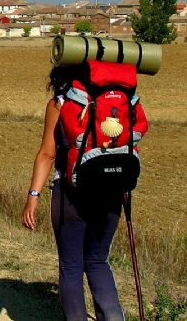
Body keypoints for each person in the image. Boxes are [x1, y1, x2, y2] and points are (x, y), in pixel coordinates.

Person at [22, 64, 125, 321]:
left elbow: (47, 153)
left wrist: (33, 197)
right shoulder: (114, 101)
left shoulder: (59, 103)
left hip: (71, 192)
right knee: (98, 261)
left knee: (71, 265)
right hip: (111, 192)